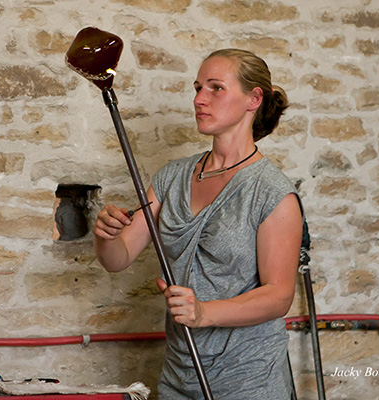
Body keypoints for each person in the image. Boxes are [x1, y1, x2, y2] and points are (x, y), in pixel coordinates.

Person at [93, 48, 303, 399]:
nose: (199, 99)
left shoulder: (271, 192)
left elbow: (279, 296)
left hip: (248, 379)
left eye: (215, 88)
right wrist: (106, 235)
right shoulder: (172, 178)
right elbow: (118, 258)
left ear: (254, 99)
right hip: (180, 374)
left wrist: (204, 311)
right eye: (197, 88)